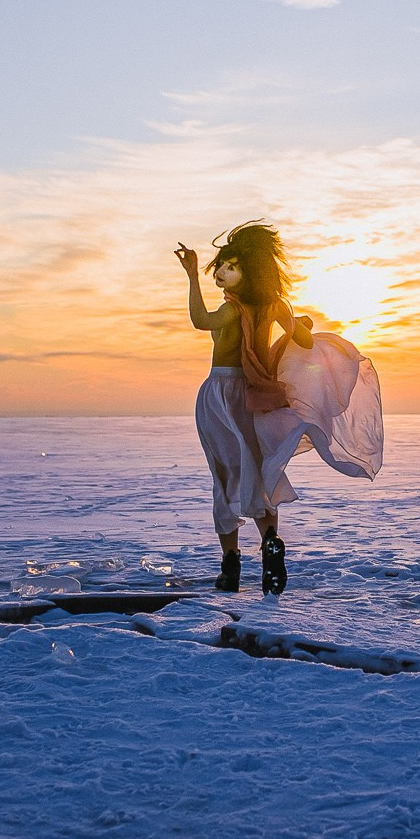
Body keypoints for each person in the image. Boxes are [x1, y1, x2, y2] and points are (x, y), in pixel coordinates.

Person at [175, 222, 383, 595]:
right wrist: (297, 325)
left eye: (231, 266)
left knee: (224, 475)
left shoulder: (230, 310)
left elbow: (199, 321)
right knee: (256, 468)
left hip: (220, 394)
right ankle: (270, 538)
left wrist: (191, 275)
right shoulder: (275, 306)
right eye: (220, 267)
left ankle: (230, 567)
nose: (221, 273)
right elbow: (303, 338)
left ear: (249, 272)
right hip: (256, 394)